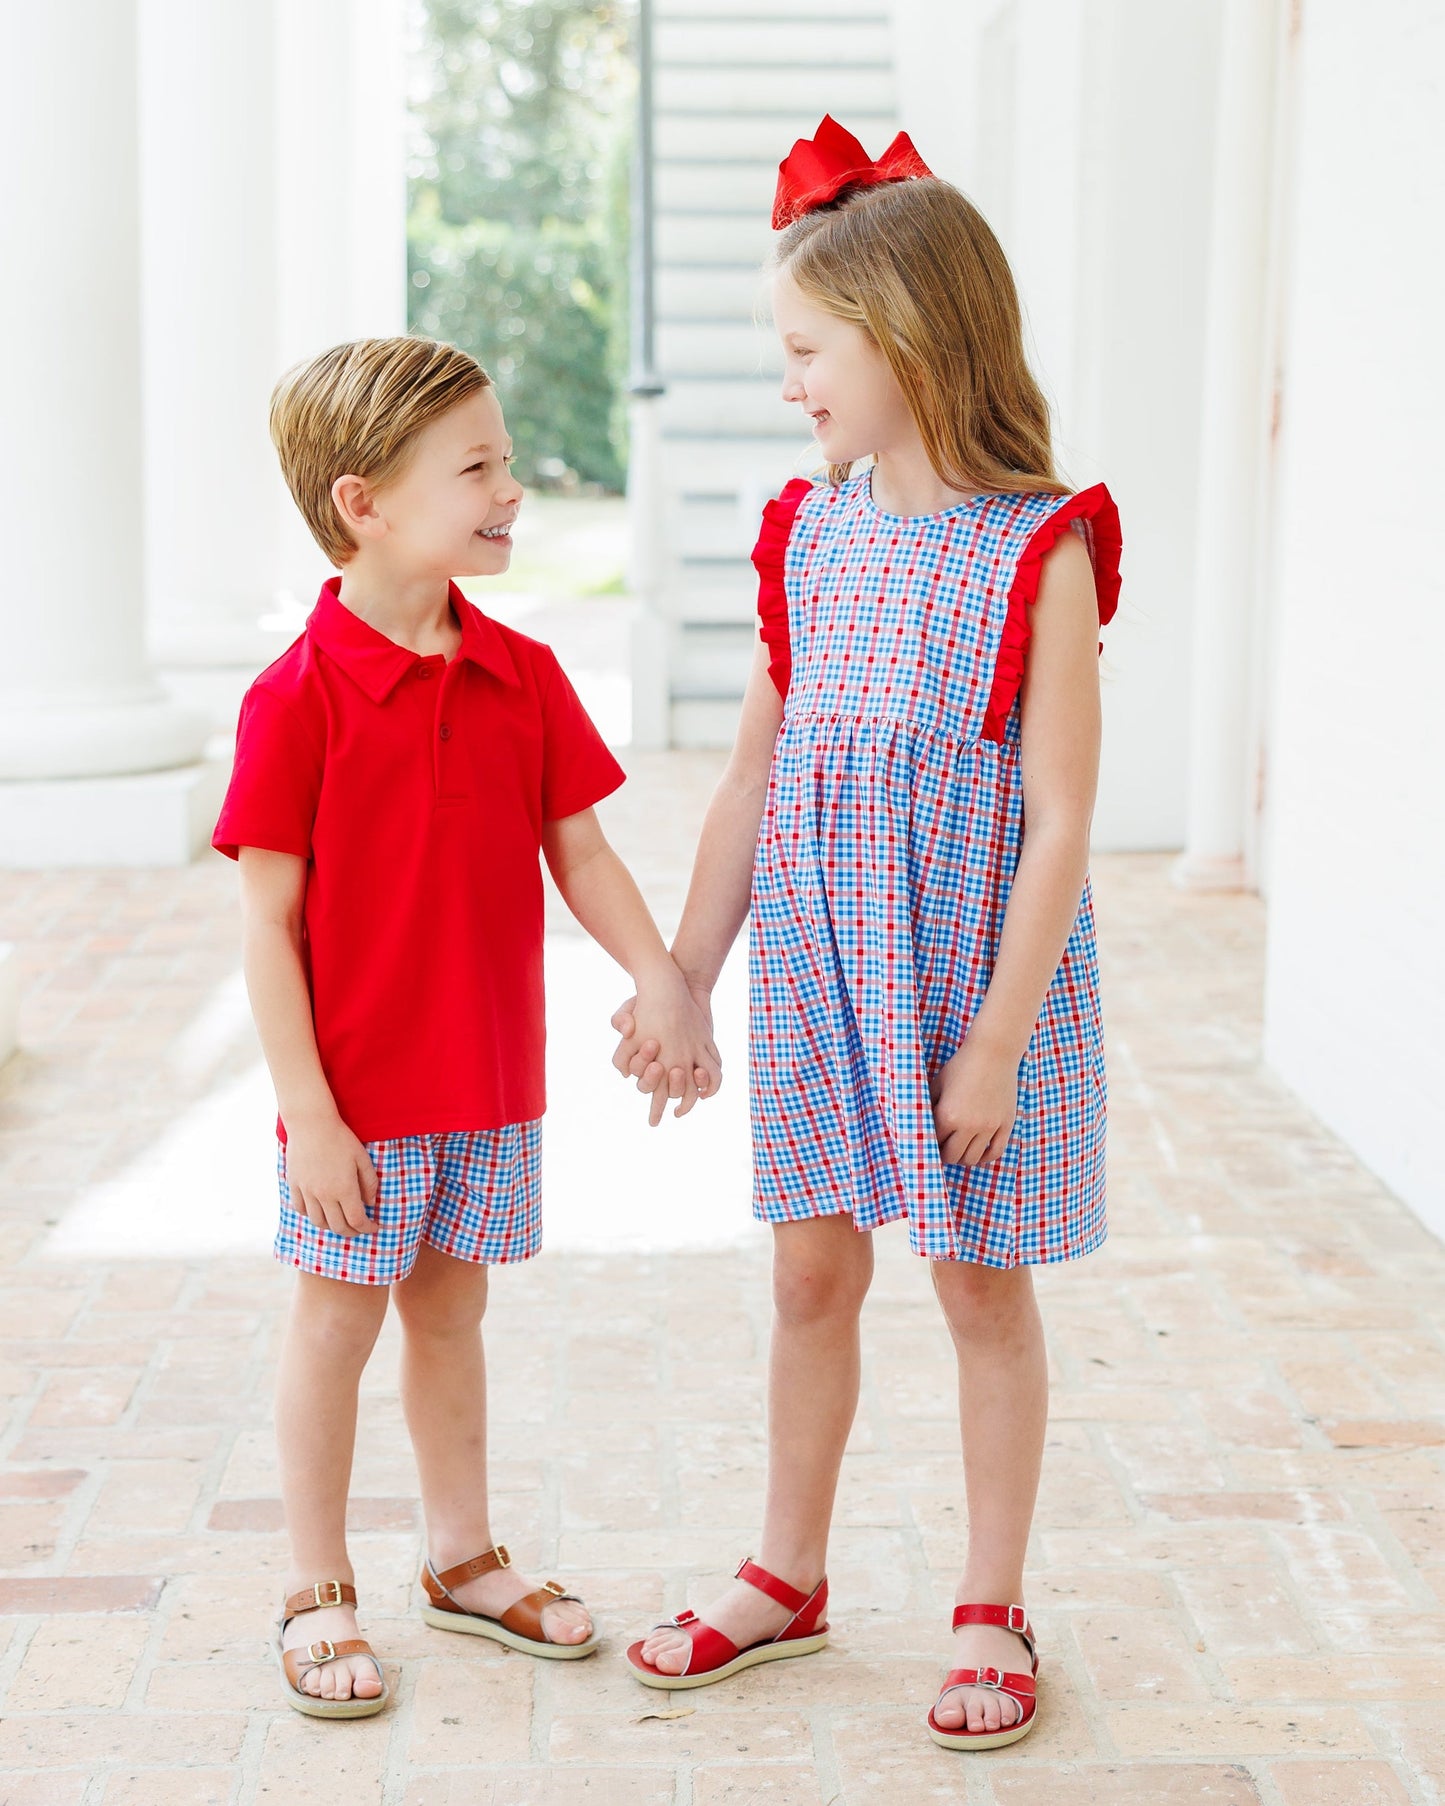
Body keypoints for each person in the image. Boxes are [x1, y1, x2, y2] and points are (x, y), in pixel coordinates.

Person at [613, 117, 1122, 1752]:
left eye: (804, 349)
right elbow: (758, 774)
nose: (791, 385)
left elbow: (1055, 819)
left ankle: (990, 1599)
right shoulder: (806, 534)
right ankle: (788, 1568)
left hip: (981, 987)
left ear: (907, 335)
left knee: (979, 1287)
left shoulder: (1036, 552)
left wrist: (993, 1035)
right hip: (825, 975)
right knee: (813, 1270)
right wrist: (687, 965)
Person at [213, 335, 719, 1718]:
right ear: (362, 500)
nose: (511, 489)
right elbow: (266, 925)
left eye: (506, 458)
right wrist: (310, 1113)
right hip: (356, 1097)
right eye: (477, 466)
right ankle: (314, 1582)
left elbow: (584, 852)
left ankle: (459, 1555)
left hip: (487, 1080)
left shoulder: (521, 671)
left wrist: (662, 973)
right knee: (337, 1320)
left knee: (452, 1308)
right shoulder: (295, 697)